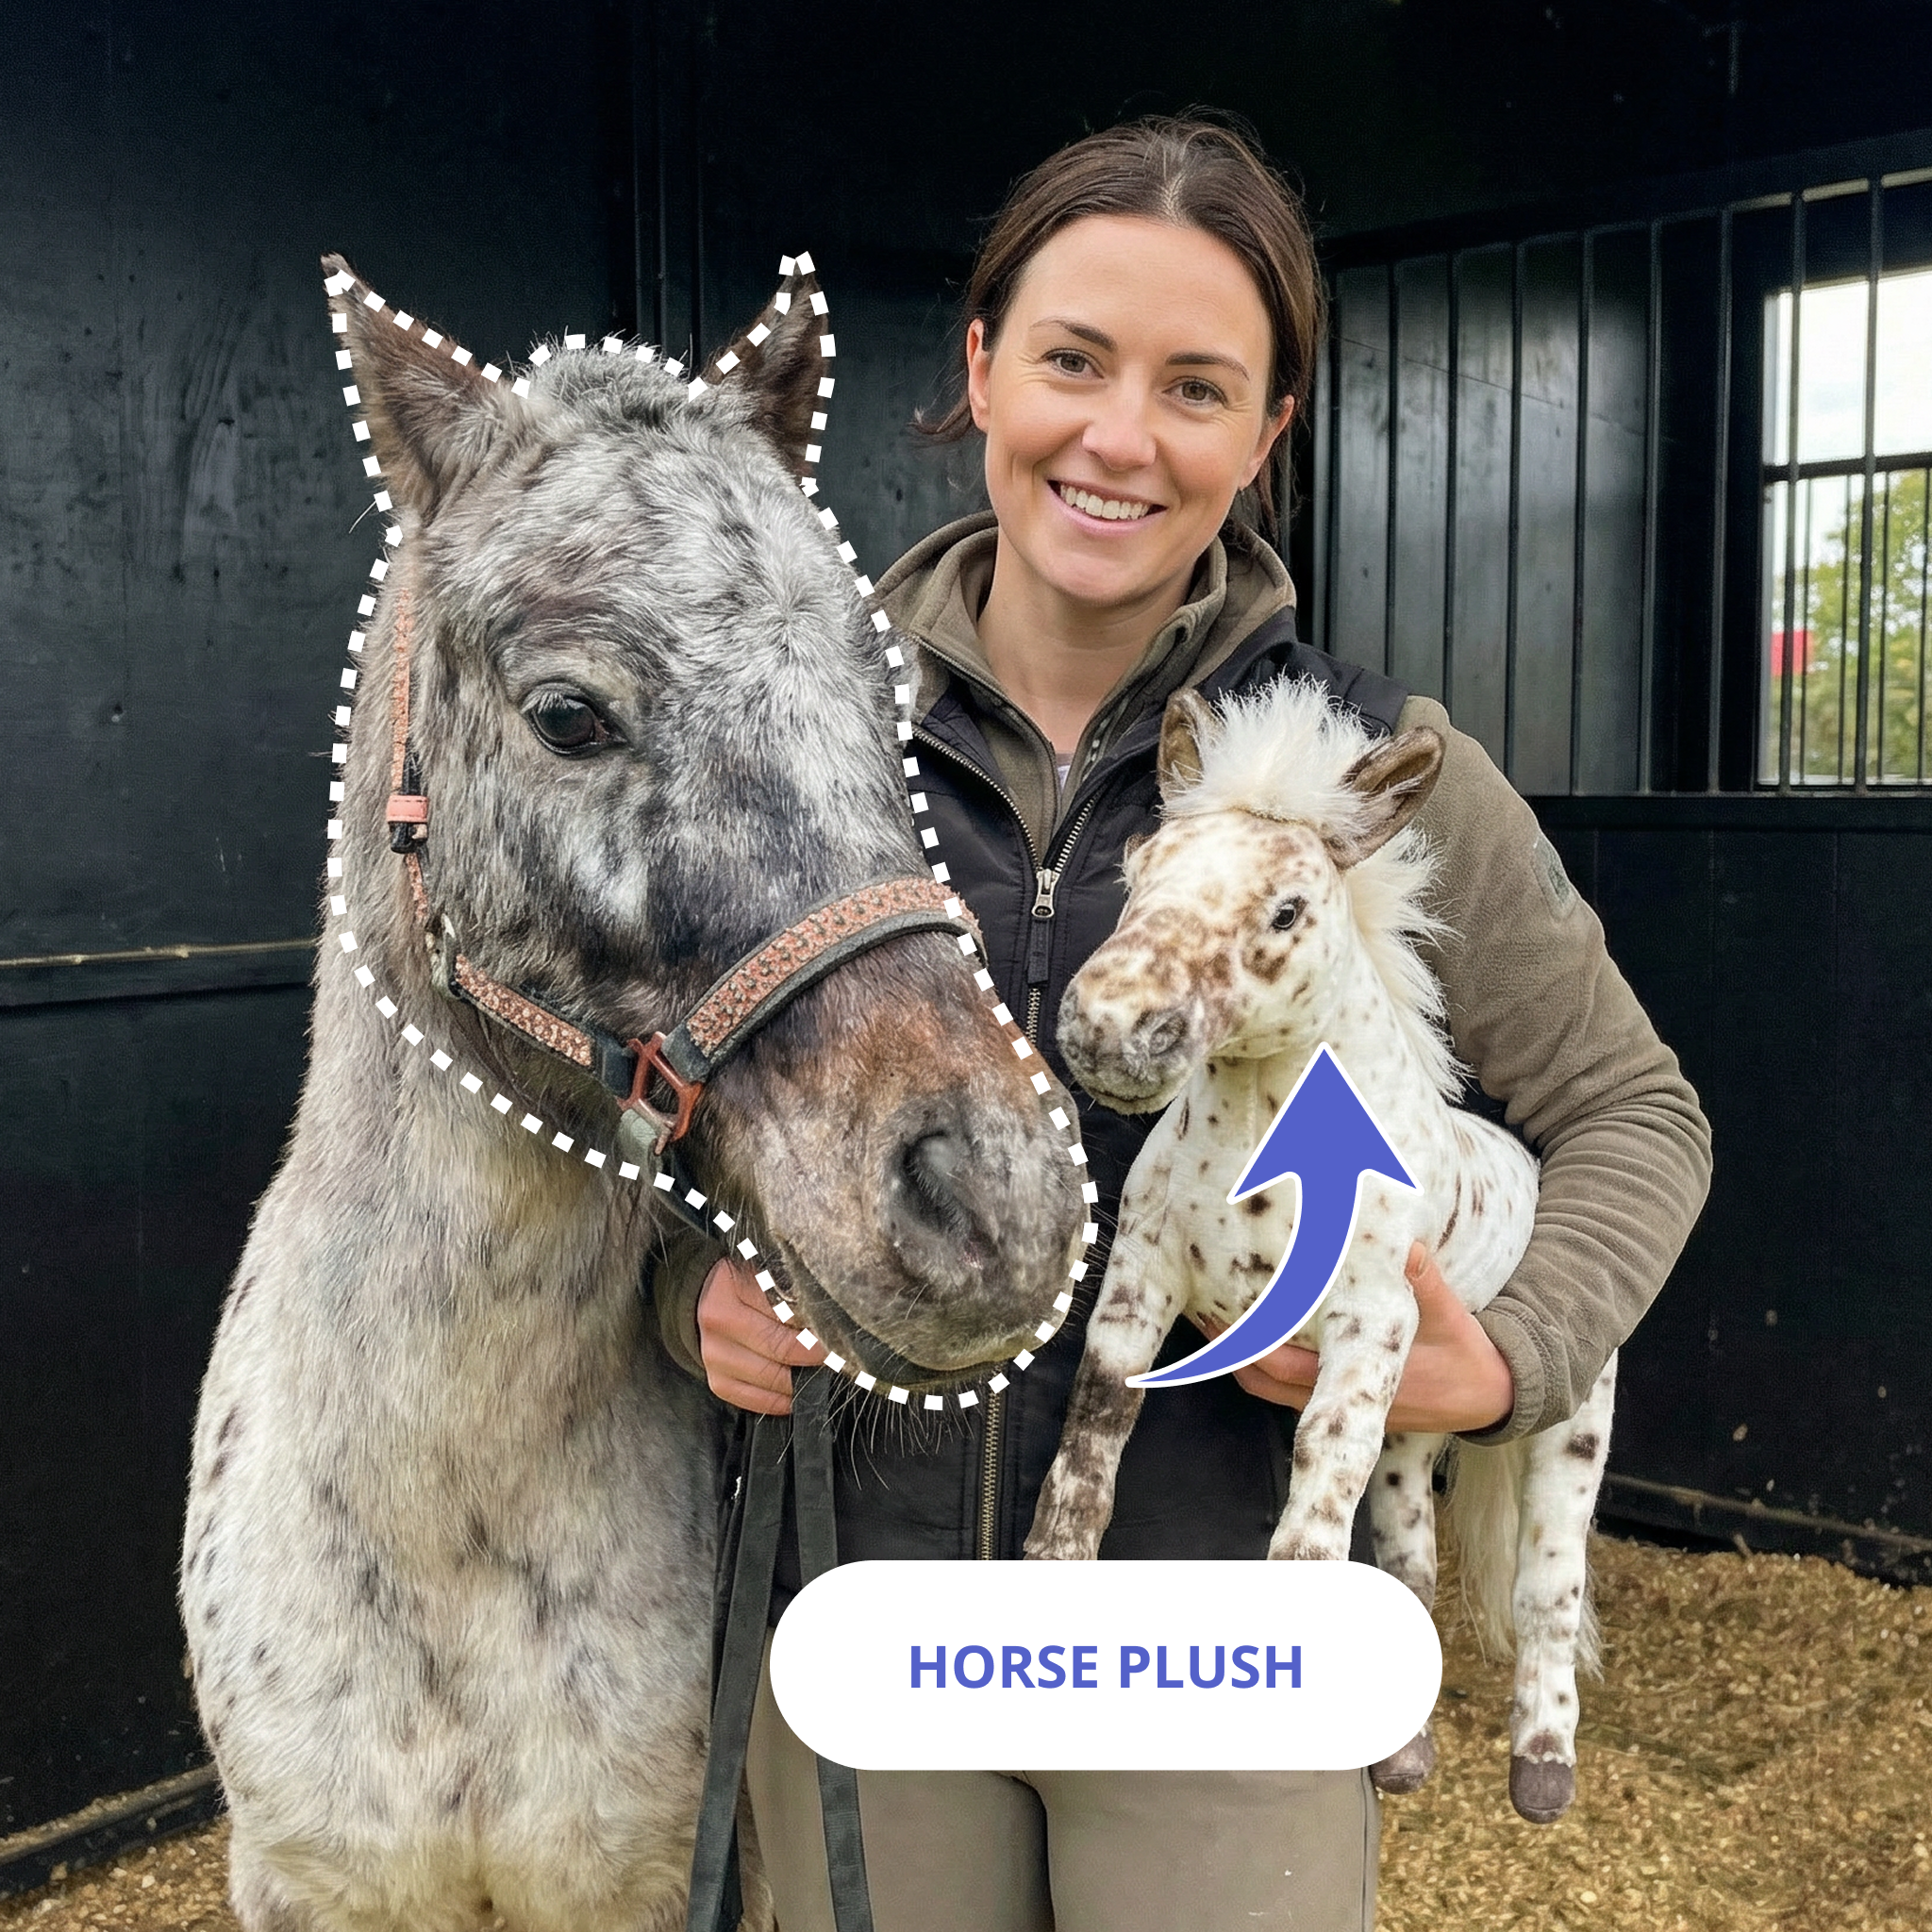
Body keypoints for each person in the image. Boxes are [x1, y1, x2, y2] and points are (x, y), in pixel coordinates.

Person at [654, 115, 1712, 1932]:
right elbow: (641, 1086)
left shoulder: (1385, 775)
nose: (1120, 437)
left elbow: (1637, 1111)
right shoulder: (780, 747)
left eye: (1197, 387)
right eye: (1072, 359)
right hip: (874, 1610)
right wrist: (688, 1293)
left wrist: (1510, 1356)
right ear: (982, 367)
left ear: (1265, 436)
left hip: (1225, 1638)